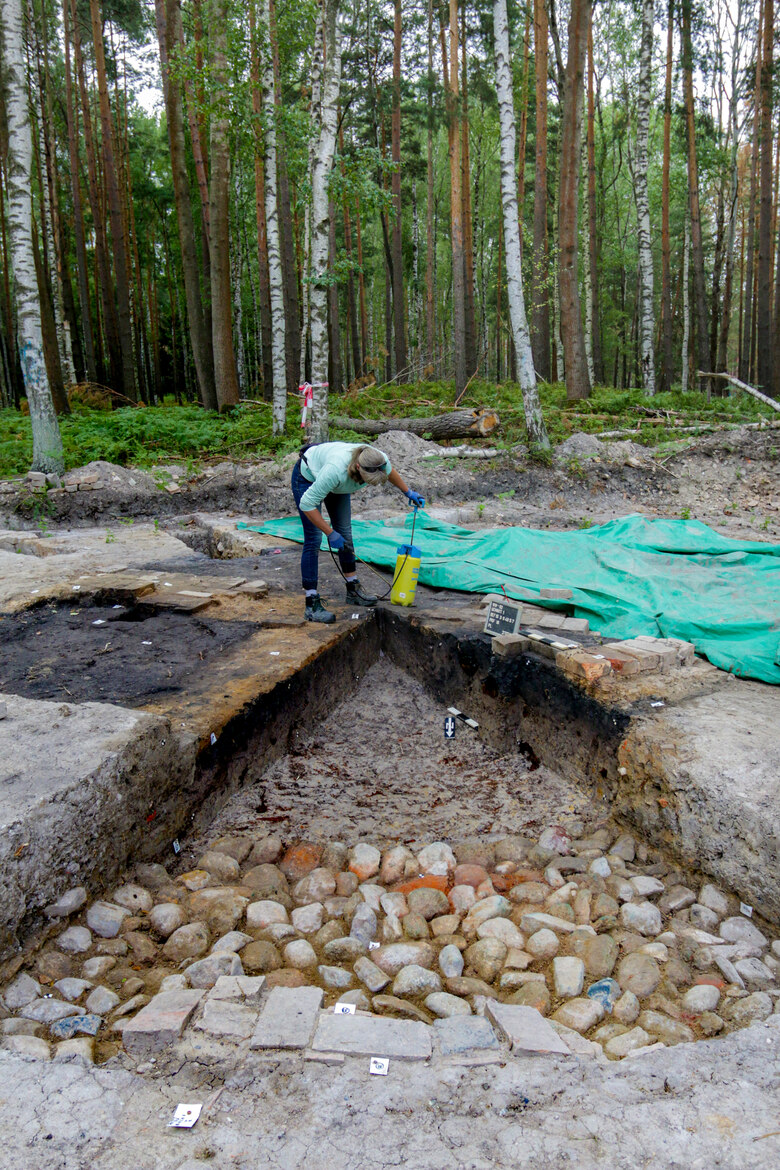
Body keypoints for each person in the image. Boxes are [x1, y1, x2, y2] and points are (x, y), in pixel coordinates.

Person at [291, 441, 425, 623]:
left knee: (345, 533)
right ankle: (311, 603)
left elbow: (390, 471)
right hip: (308, 477)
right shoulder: (335, 471)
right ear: (358, 467)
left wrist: (408, 492)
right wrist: (329, 533)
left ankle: (353, 590)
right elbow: (307, 504)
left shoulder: (377, 459)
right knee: (314, 538)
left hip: (338, 483)